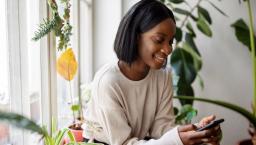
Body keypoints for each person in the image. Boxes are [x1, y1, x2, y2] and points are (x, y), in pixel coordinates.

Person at [82, 0, 222, 145]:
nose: (168, 50)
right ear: (136, 37)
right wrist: (178, 140)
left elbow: (162, 129)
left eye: (170, 41)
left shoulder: (163, 75)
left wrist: (196, 131)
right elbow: (124, 143)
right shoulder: (108, 82)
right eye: (159, 40)